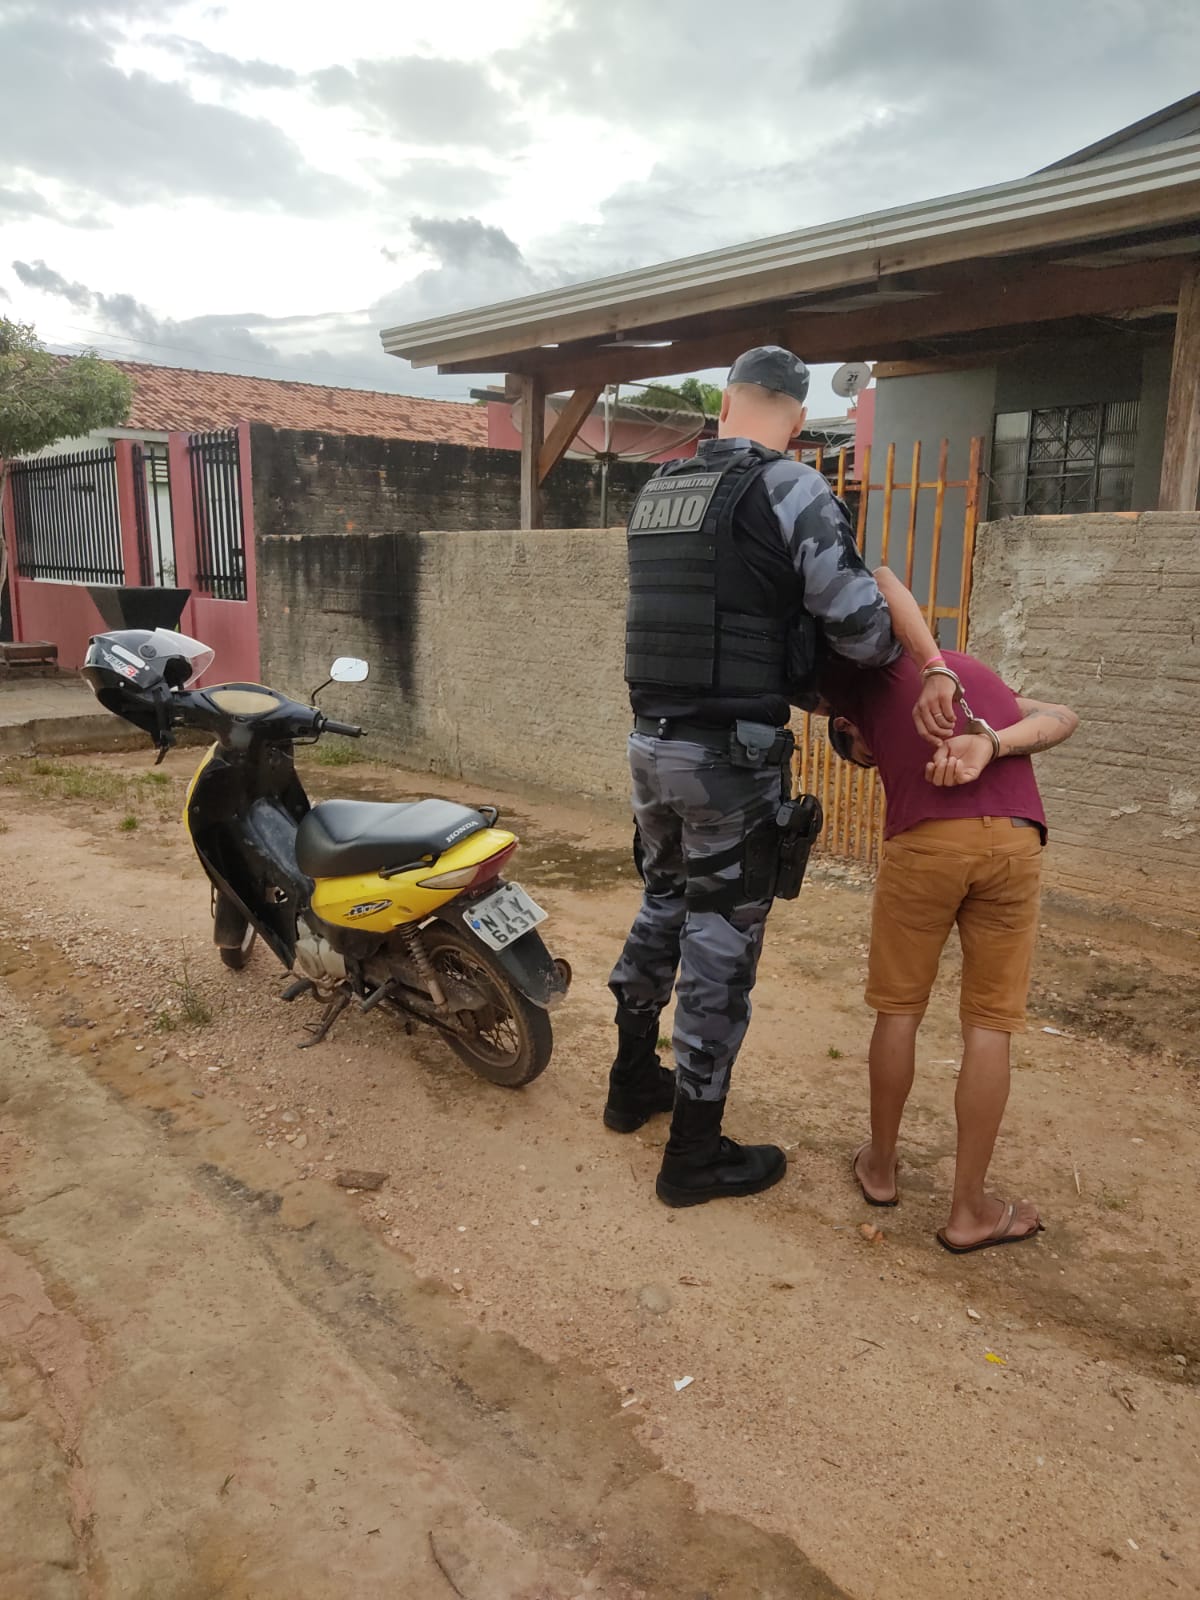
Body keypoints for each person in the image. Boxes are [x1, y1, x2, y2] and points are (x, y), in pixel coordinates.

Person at [604, 344, 956, 1208]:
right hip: (730, 759)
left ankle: (630, 1080)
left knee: (663, 900)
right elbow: (866, 633)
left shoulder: (658, 493)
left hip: (652, 742)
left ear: (725, 405)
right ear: (798, 420)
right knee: (721, 939)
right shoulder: (793, 487)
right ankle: (694, 1152)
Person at [821, 635, 1079, 1253]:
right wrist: (993, 741)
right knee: (990, 1024)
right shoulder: (980, 682)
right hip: (1016, 842)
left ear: (848, 728)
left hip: (928, 843)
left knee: (899, 1010)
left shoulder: (856, 689)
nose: (871, 757)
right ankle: (969, 1210)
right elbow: (1063, 716)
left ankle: (880, 1167)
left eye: (860, 754)